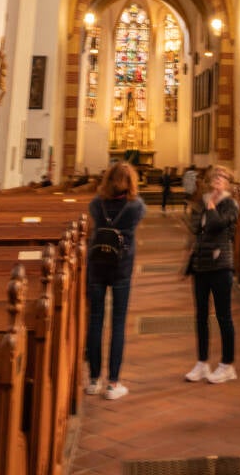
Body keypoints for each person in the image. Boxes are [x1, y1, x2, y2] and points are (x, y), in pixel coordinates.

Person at [86, 161, 146, 399]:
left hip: (97, 266)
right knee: (118, 322)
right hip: (121, 267)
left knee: (95, 320)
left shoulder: (96, 204)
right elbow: (140, 214)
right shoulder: (135, 206)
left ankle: (93, 380)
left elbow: (93, 216)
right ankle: (113, 383)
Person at [184, 165, 239, 384]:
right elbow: (197, 227)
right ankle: (202, 362)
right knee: (201, 316)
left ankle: (227, 365)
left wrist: (212, 205)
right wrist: (208, 206)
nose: (218, 180)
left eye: (223, 177)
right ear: (208, 180)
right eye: (215, 176)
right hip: (200, 263)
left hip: (221, 265)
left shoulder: (231, 204)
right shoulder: (200, 202)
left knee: (224, 316)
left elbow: (216, 224)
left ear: (228, 183)